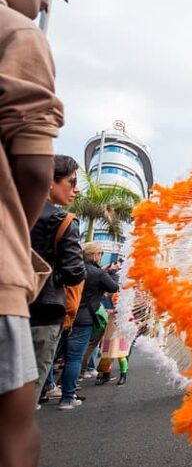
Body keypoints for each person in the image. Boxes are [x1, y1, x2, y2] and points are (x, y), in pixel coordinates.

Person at [0, 0, 67, 465]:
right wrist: (14, 236)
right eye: (40, 3)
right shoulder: (19, 33)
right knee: (13, 432)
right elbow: (35, 171)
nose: (35, 11)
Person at [29, 155, 84, 403]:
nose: (76, 189)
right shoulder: (63, 221)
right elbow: (74, 273)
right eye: (71, 182)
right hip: (44, 309)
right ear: (50, 182)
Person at [58, 242, 118, 409]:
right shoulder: (97, 273)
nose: (101, 256)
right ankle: (67, 397)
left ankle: (51, 388)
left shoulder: (71, 267)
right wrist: (111, 272)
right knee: (74, 358)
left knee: (58, 356)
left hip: (64, 315)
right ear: (95, 255)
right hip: (83, 319)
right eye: (100, 253)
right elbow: (114, 287)